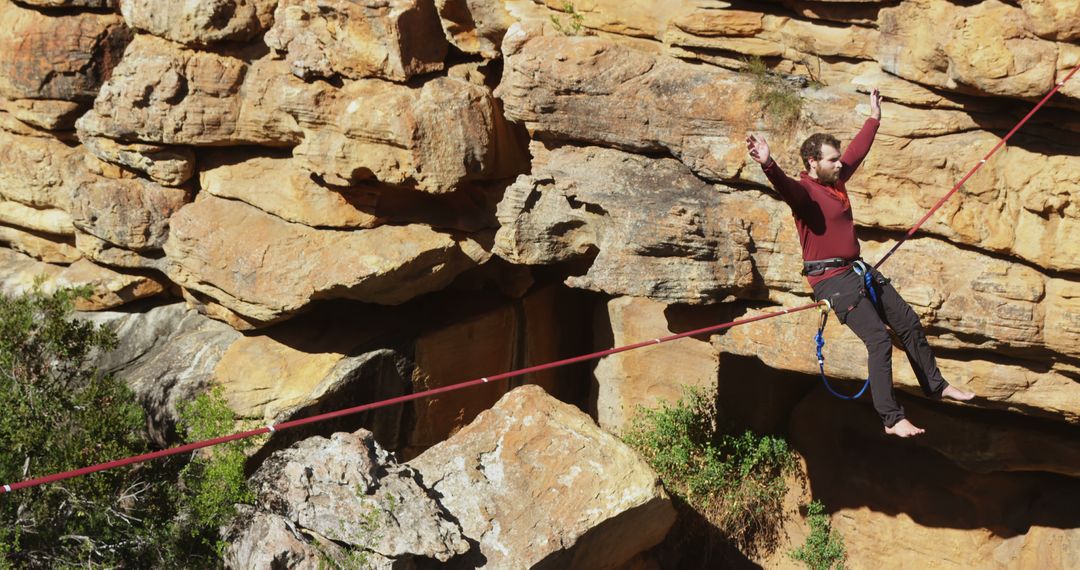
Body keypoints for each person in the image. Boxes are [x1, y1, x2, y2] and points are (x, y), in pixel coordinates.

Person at [745, 88, 974, 438]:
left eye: (838, 159)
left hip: (858, 270)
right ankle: (892, 419)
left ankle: (936, 385)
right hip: (832, 280)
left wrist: (874, 118)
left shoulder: (835, 180)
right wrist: (768, 164)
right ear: (813, 163)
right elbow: (785, 188)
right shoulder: (806, 193)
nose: (840, 164)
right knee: (879, 340)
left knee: (909, 323)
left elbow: (856, 152)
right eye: (832, 160)